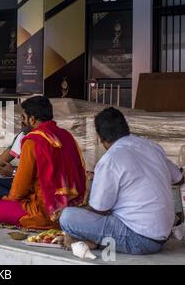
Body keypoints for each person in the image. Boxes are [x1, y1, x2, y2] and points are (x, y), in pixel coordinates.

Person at [60, 108, 185, 255]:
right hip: (162, 235)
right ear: (126, 128)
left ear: (101, 139)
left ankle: (96, 242)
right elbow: (179, 178)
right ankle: (95, 242)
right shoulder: (152, 147)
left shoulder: (110, 159)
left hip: (140, 239)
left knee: (67, 217)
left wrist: (75, 210)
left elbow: (100, 209)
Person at [0, 96, 87, 230]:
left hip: (45, 213)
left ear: (32, 119)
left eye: (23, 118)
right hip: (71, 210)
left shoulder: (33, 141)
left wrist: (8, 201)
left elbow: (18, 192)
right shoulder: (66, 136)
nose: (22, 122)